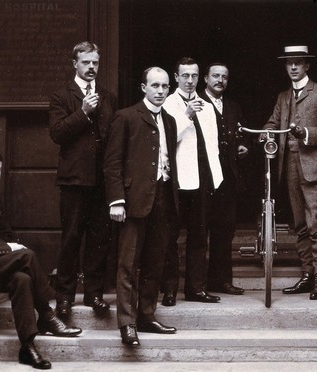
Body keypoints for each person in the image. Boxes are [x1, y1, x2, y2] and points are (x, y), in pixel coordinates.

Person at [0, 149, 82, 370]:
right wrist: (1, 248)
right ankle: (47, 314)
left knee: (22, 279)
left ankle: (28, 348)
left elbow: (6, 234)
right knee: (26, 255)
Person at [104, 67, 179, 347]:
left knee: (154, 262)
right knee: (128, 264)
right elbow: (112, 163)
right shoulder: (125, 117)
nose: (161, 91)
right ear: (143, 87)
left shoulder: (169, 120)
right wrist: (116, 200)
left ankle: (147, 315)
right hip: (132, 200)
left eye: (165, 86)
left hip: (163, 197)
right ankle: (127, 323)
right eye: (155, 86)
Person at [49, 41, 118, 319]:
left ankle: (94, 295)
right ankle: (64, 297)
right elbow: (57, 133)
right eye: (86, 62)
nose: (92, 68)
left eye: (95, 63)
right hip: (75, 180)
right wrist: (83, 112)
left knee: (100, 239)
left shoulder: (108, 96)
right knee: (72, 238)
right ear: (74, 64)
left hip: (102, 180)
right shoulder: (61, 96)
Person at [263, 45, 317, 300]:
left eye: (298, 62)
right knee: (299, 225)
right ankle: (306, 274)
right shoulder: (283, 96)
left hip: (314, 166)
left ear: (307, 66)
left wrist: (307, 134)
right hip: (289, 165)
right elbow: (274, 121)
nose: (293, 67)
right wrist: (265, 133)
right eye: (289, 63)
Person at [161, 57, 223, 305]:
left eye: (194, 76)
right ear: (176, 77)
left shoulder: (207, 105)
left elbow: (212, 143)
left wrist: (215, 176)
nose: (189, 81)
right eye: (185, 76)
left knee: (199, 235)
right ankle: (169, 289)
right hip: (177, 179)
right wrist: (186, 116)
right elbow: (166, 140)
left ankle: (196, 288)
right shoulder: (167, 104)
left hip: (203, 177)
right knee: (170, 236)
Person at [198, 62, 248, 295]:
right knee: (201, 230)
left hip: (227, 176)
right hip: (203, 177)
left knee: (225, 230)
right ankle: (199, 284)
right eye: (215, 76)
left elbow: (238, 136)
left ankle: (222, 281)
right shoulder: (196, 104)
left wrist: (241, 147)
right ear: (206, 78)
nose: (220, 80)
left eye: (224, 77)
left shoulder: (234, 106)